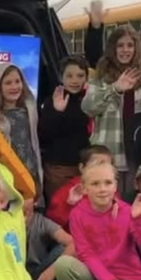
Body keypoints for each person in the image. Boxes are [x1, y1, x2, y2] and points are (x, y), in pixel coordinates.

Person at [81, 25, 141, 198]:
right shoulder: (101, 77)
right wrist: (115, 89)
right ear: (112, 48)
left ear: (137, 48)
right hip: (108, 156)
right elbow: (88, 108)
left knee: (136, 210)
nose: (125, 50)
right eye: (120, 45)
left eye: (130, 45)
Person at [0, 63, 44, 195]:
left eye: (17, 81)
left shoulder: (29, 110)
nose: (14, 87)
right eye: (8, 83)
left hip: (29, 171)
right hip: (6, 175)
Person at [38, 56, 92, 200]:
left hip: (84, 167)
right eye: (69, 76)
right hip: (58, 169)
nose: (75, 80)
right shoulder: (53, 100)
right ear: (61, 78)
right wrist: (57, 111)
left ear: (86, 77)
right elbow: (44, 134)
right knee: (58, 209)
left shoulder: (91, 101)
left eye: (80, 76)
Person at [45, 145, 115, 231]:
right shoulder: (67, 191)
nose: (101, 170)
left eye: (106, 166)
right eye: (97, 165)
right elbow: (53, 225)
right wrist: (69, 205)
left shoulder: (112, 190)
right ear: (82, 168)